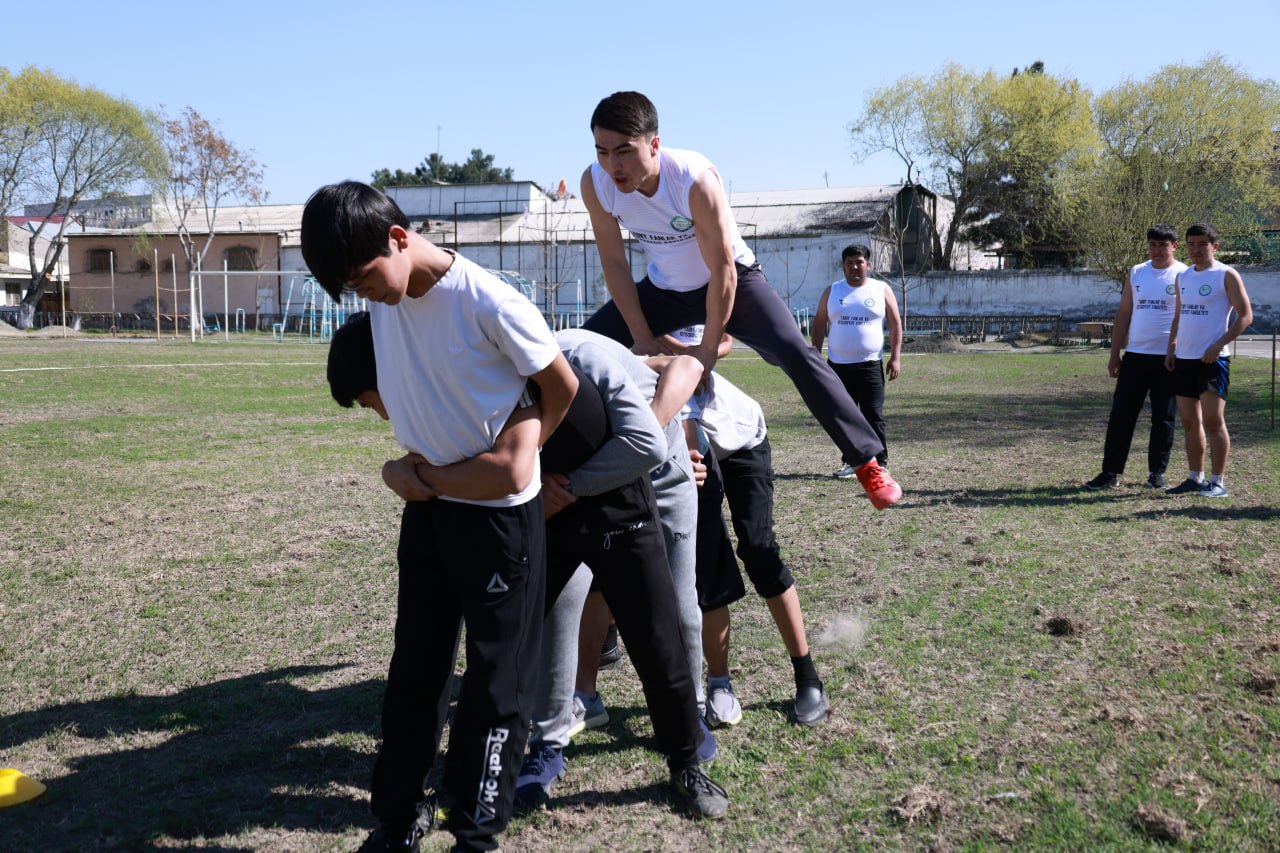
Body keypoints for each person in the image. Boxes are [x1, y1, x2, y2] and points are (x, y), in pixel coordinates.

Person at [327, 316, 728, 821]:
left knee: (656, 637)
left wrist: (571, 486)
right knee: (507, 647)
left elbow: (645, 444)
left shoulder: (578, 357)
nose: (384, 417)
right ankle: (494, 766)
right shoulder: (452, 393)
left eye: (373, 401)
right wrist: (402, 472)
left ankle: (685, 760)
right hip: (544, 514)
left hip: (618, 504)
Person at [304, 181, 578, 853]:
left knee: (493, 684)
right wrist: (413, 473)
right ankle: (397, 820)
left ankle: (475, 833)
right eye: (348, 285)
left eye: (364, 276)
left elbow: (561, 386)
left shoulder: (488, 301)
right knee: (415, 672)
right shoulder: (388, 300)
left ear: (399, 238)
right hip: (428, 516)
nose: (363, 293)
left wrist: (519, 455)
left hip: (496, 524)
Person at [578, 90, 901, 509]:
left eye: (624, 151)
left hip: (734, 281)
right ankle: (561, 458)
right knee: (581, 352)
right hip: (664, 290)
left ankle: (866, 460)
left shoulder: (693, 179)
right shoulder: (596, 182)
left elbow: (723, 270)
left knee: (795, 351)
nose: (613, 165)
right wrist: (641, 334)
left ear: (654, 144)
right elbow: (615, 265)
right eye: (602, 151)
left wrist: (709, 347)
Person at [514, 331, 727, 818]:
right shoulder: (496, 379)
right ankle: (548, 742)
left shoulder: (582, 355)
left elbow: (685, 370)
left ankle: (687, 730)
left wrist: (645, 434)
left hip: (650, 475)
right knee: (560, 606)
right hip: (568, 487)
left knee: (669, 610)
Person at [670, 325, 829, 727]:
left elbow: (724, 340)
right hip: (689, 450)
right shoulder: (637, 334)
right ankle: (719, 684)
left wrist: (682, 348)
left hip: (740, 440)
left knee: (759, 548)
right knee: (705, 559)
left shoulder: (684, 305)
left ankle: (807, 677)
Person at [1083, 225, 1186, 491]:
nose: (1158, 250)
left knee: (1163, 418)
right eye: (1153, 244)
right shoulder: (1137, 272)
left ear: (1174, 246)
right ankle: (1109, 472)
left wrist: (1177, 349)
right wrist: (1114, 353)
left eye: (1164, 245)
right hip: (1135, 356)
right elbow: (1124, 314)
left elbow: (1185, 316)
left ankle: (1156, 473)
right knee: (1121, 415)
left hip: (1168, 358)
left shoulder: (1184, 274)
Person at [1163, 223, 1253, 498]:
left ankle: (1218, 482)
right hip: (1184, 360)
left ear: (1215, 246)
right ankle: (1195, 477)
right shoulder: (1183, 276)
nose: (1196, 249)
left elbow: (1246, 316)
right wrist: (1172, 346)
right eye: (1191, 244)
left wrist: (1218, 346)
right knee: (1190, 422)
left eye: (1202, 244)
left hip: (1213, 361)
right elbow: (1180, 314)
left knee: (1214, 421)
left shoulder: (1226, 274)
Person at [810, 244, 902, 480]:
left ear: (868, 265)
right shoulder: (832, 291)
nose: (854, 267)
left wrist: (896, 357)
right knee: (843, 415)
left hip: (870, 365)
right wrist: (814, 356)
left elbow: (895, 324)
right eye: (849, 262)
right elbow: (820, 324)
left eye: (859, 262)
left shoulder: (881, 289)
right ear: (843, 266)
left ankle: (880, 463)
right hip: (837, 367)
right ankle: (851, 461)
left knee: (873, 414)